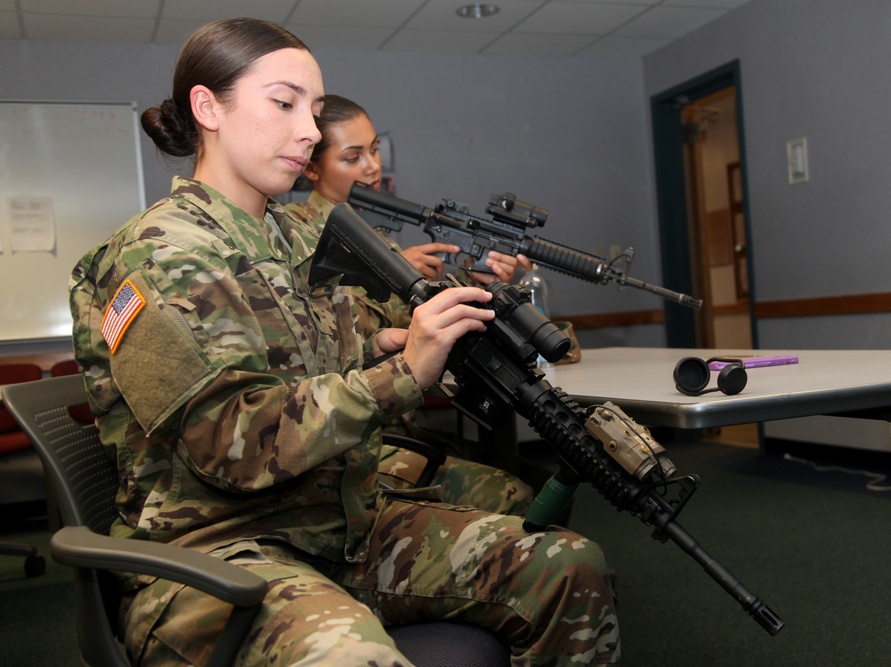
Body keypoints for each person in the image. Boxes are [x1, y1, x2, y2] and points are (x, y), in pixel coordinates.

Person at [68, 17, 619, 667]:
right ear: (207, 106)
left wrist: (387, 341)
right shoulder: (157, 254)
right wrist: (404, 373)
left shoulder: (283, 245)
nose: (308, 130)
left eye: (315, 110)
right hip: (220, 553)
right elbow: (227, 445)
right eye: (284, 103)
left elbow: (319, 350)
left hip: (341, 520)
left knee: (568, 565)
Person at [284, 94, 534, 515]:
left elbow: (412, 320)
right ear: (311, 167)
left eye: (374, 150)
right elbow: (335, 331)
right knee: (518, 491)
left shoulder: (371, 232)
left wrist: (471, 283)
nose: (372, 167)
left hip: (396, 418)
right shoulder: (300, 233)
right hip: (352, 428)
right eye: (353, 157)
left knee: (531, 477)